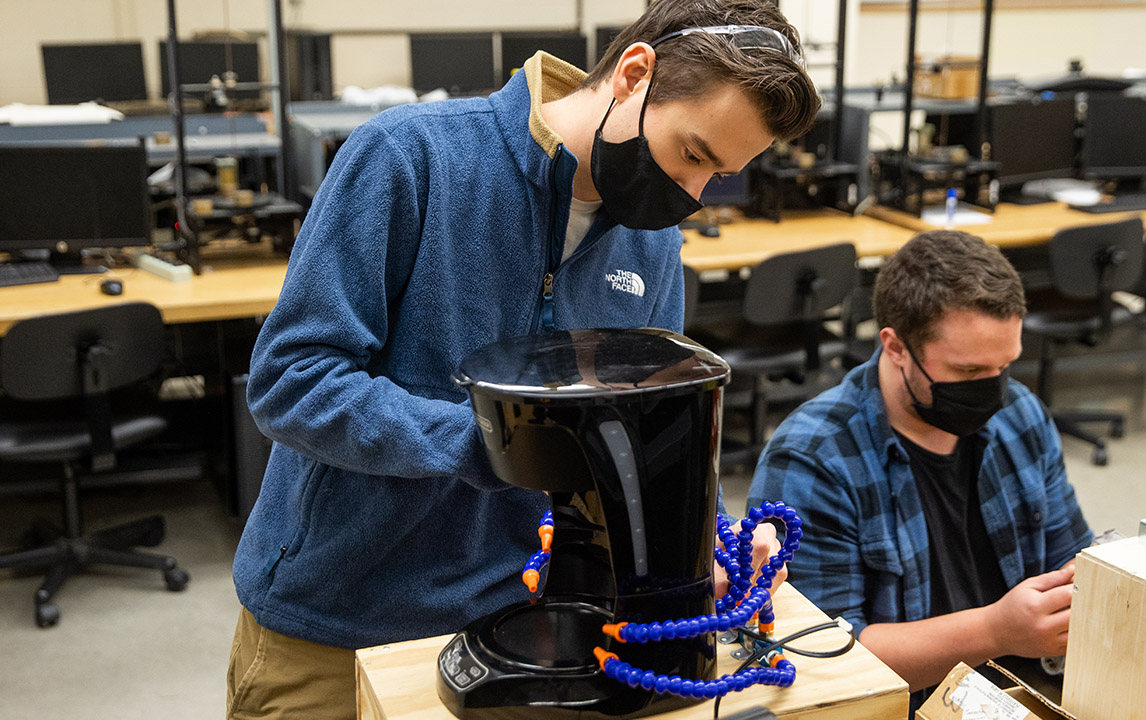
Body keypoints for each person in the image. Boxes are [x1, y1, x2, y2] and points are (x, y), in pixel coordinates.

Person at [226, 2, 821, 718]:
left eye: (717, 175)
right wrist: (496, 445)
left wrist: (699, 560)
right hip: (340, 623)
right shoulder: (412, 157)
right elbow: (293, 381)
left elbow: (650, 429)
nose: (692, 196)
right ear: (634, 76)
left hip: (527, 627)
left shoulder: (651, 241)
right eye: (693, 154)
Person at [747, 230, 1093, 708]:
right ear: (895, 347)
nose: (994, 390)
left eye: (1005, 365)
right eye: (969, 372)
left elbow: (1073, 560)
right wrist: (996, 631)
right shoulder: (814, 459)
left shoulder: (1020, 415)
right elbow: (824, 656)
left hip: (1029, 692)